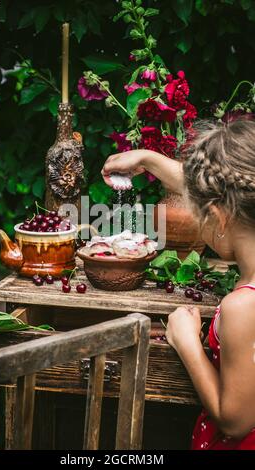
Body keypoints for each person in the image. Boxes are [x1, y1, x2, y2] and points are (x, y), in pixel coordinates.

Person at [102, 119, 255, 449]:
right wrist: (148, 159)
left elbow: (236, 419)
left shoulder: (243, 306)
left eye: (200, 215)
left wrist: (186, 342)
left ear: (219, 217)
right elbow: (217, 188)